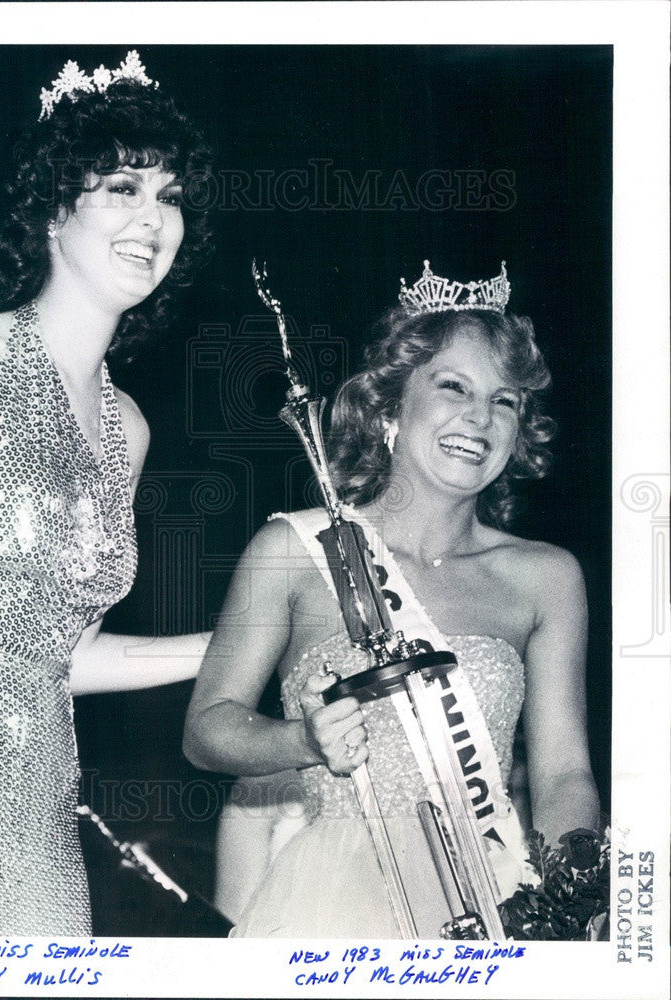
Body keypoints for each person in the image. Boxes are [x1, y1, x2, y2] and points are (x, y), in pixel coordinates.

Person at [183, 261, 601, 937]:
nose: (480, 416)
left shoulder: (546, 577)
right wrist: (303, 741)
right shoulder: (295, 549)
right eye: (453, 387)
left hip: (495, 891)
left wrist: (569, 898)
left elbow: (562, 774)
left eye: (505, 400)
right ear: (388, 408)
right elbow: (206, 729)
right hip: (331, 897)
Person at [0, 50, 213, 936]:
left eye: (170, 197)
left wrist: (246, 640)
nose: (153, 219)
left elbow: (60, 660)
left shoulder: (129, 425)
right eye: (122, 187)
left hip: (39, 819)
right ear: (51, 206)